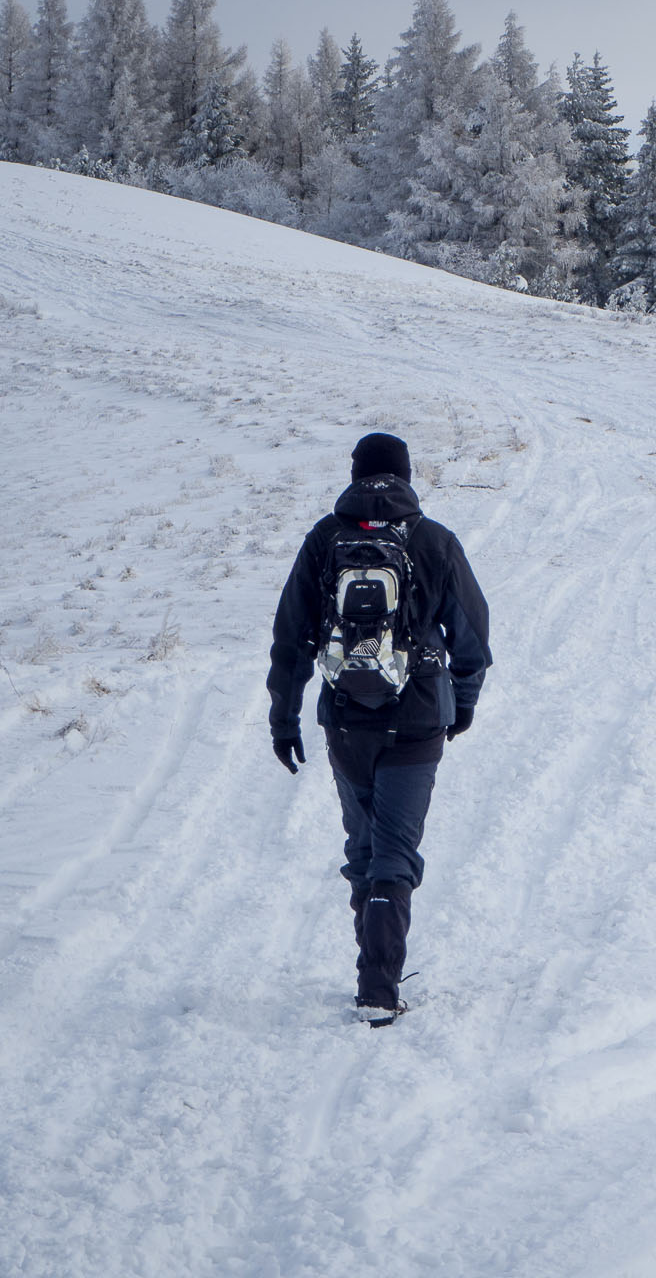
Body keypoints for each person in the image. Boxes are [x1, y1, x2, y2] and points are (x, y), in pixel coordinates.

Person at [267, 432, 491, 1023]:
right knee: (396, 852)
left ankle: (374, 974)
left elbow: (292, 638)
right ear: (407, 475)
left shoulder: (324, 540)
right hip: (417, 720)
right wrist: (460, 703)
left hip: (345, 720)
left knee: (365, 848)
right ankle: (378, 988)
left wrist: (284, 717)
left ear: (355, 473)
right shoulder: (434, 541)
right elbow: (473, 638)